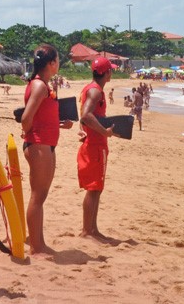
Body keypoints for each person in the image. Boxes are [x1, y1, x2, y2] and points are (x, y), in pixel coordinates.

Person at [20, 44, 73, 257]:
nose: (59, 64)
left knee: (41, 196)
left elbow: (39, 117)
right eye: (58, 60)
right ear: (51, 64)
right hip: (39, 144)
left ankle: (38, 242)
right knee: (37, 196)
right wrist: (32, 135)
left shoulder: (43, 85)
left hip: (45, 143)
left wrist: (59, 125)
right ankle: (36, 246)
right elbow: (26, 119)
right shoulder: (40, 86)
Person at [77, 56, 115, 242]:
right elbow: (86, 115)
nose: (111, 74)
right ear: (106, 73)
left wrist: (82, 129)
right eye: (111, 70)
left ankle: (93, 228)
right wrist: (105, 132)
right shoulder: (96, 91)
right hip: (95, 145)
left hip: (94, 143)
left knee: (97, 188)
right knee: (93, 189)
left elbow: (82, 116)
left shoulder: (90, 89)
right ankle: (87, 230)